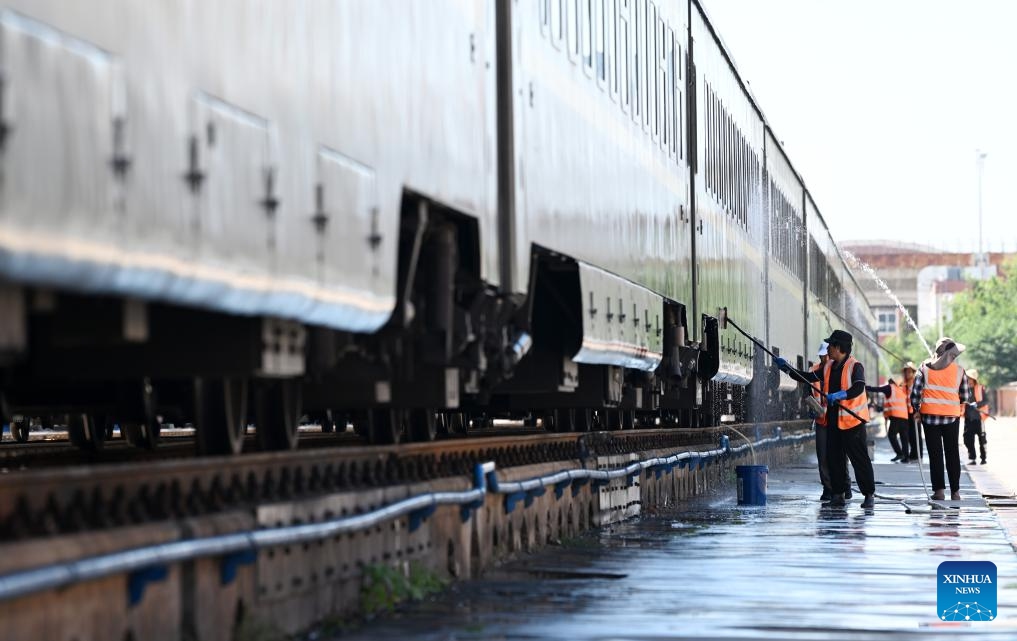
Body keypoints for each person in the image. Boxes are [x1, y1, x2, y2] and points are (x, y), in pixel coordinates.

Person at [777, 329, 876, 508]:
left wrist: (841, 394)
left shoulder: (855, 366)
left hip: (853, 422)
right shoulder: (829, 366)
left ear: (839, 347)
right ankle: (837, 494)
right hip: (833, 422)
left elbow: (859, 387)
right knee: (834, 459)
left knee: (859, 460)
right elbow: (807, 377)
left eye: (830, 345)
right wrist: (788, 369)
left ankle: (868, 494)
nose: (828, 348)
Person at [910, 337, 972, 501]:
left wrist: (916, 409)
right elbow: (965, 396)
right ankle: (955, 492)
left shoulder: (924, 368)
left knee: (935, 455)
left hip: (929, 418)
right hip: (951, 417)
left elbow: (915, 394)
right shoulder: (959, 371)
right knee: (952, 453)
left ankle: (938, 492)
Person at [806, 343, 851, 500]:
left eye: (825, 355)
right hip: (821, 419)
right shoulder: (815, 371)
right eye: (821, 356)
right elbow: (808, 392)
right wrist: (811, 408)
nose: (824, 358)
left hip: (837, 419)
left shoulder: (839, 370)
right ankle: (828, 488)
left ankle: (845, 485)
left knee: (840, 455)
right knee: (822, 456)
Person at [866, 367, 912, 462]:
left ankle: (899, 454)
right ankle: (906, 457)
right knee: (904, 438)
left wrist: (865, 387)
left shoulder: (889, 387)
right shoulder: (900, 390)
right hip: (905, 417)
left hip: (896, 417)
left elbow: (877, 389)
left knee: (891, 435)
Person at [963, 369, 989, 465]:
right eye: (967, 378)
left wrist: (977, 405)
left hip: (979, 418)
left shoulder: (980, 388)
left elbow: (986, 401)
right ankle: (972, 458)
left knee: (982, 439)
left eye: (970, 378)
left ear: (974, 379)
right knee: (967, 439)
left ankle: (983, 458)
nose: (968, 380)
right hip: (968, 418)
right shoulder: (964, 389)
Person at [900, 362, 921, 462]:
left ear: (913, 372)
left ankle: (917, 454)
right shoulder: (903, 384)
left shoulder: (916, 383)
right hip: (906, 413)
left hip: (915, 412)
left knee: (916, 434)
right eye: (906, 372)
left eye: (909, 372)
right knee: (908, 435)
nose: (907, 374)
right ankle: (912, 454)